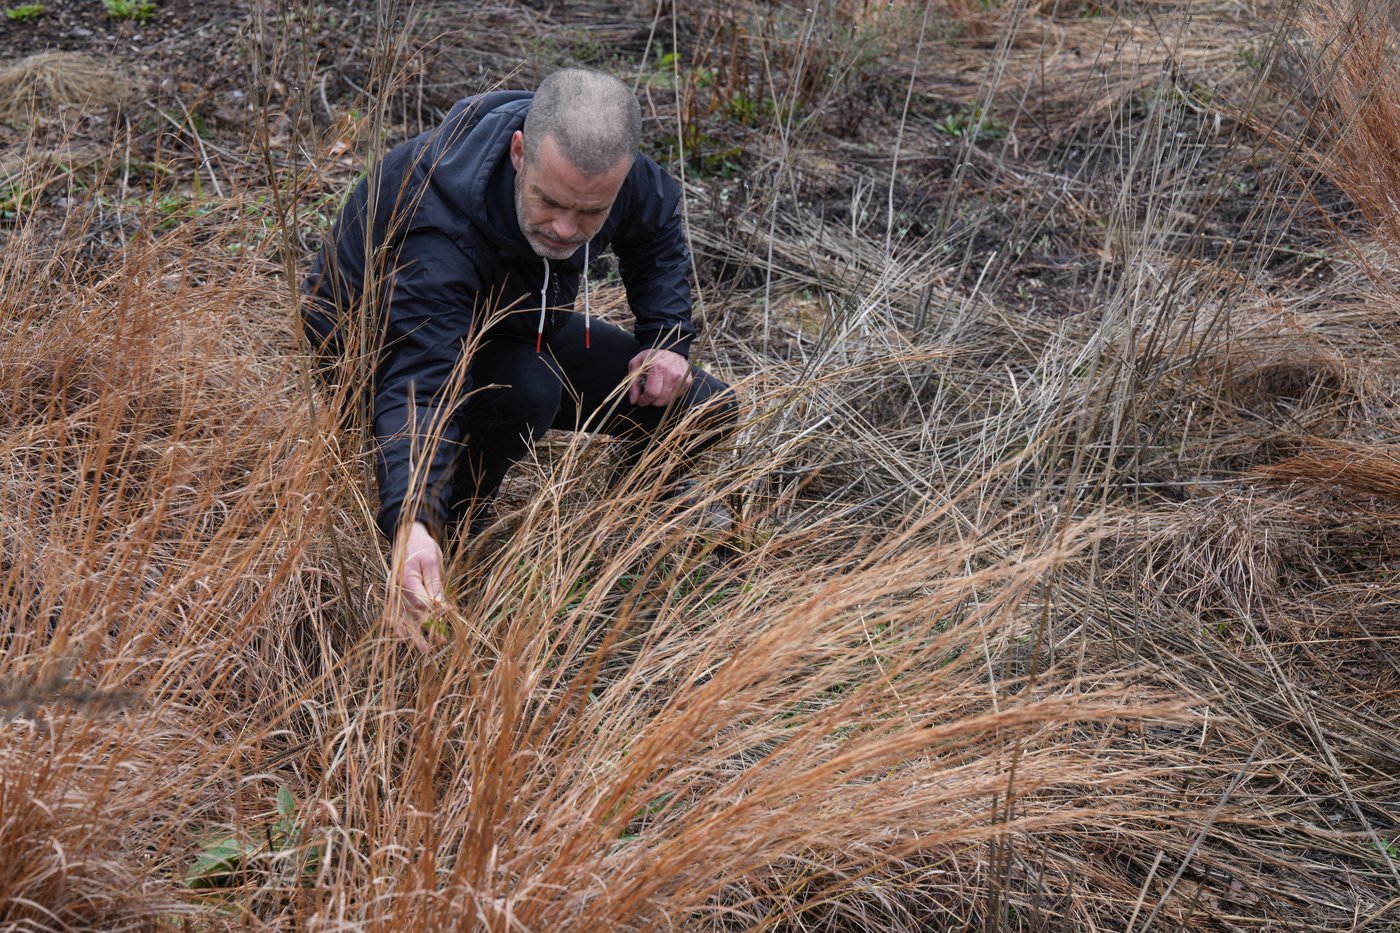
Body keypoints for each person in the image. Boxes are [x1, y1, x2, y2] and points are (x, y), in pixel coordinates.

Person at [303, 67, 737, 642]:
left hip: (514, 323)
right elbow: (418, 381)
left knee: (705, 407)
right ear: (518, 152)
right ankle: (449, 540)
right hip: (382, 351)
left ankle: (629, 529)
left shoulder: (608, 173)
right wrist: (413, 519)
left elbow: (656, 235)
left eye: (589, 213)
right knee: (525, 393)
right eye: (551, 202)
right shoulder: (436, 226)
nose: (564, 228)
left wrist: (666, 340)